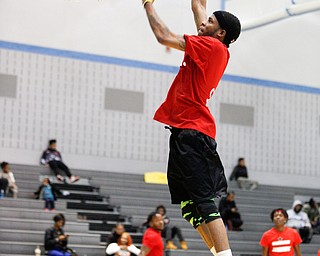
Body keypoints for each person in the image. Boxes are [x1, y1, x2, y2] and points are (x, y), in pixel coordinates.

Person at [142, 0, 241, 255]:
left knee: (205, 203)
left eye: (210, 22)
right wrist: (200, 10)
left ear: (220, 33)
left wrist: (147, 5)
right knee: (189, 208)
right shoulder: (213, 43)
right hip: (182, 131)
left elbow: (163, 36)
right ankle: (216, 252)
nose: (203, 22)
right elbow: (198, 4)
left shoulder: (210, 46)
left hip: (194, 132)